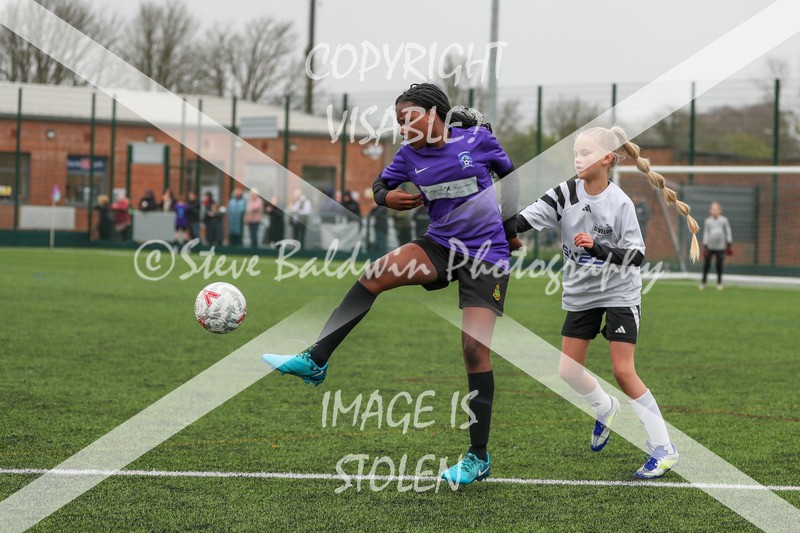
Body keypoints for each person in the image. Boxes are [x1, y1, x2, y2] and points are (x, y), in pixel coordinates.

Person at [263, 83, 520, 486]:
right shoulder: (408, 156)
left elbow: (511, 177)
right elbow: (379, 186)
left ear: (434, 114)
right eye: (398, 121)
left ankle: (478, 457)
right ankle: (316, 359)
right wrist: (387, 199)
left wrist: (509, 228)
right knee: (374, 275)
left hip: (486, 256)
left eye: (408, 118)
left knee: (473, 350)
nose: (402, 128)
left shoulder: (477, 140)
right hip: (438, 246)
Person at [514, 126, 700, 479]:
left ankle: (664, 449)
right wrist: (495, 225)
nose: (577, 159)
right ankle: (605, 407)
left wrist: (597, 248)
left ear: (607, 159)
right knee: (568, 371)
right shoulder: (565, 193)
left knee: (622, 371)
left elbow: (636, 257)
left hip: (619, 292)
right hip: (581, 293)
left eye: (585, 153)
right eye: (575, 153)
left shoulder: (620, 203)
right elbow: (523, 219)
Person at [700, 201, 733, 291]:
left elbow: (728, 232)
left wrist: (729, 243)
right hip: (710, 247)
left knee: (719, 265)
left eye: (716, 209)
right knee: (706, 265)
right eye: (712, 209)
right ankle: (703, 282)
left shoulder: (724, 220)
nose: (714, 211)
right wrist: (705, 244)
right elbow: (706, 233)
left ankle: (719, 283)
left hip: (720, 247)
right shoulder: (708, 221)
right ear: (710, 210)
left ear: (720, 210)